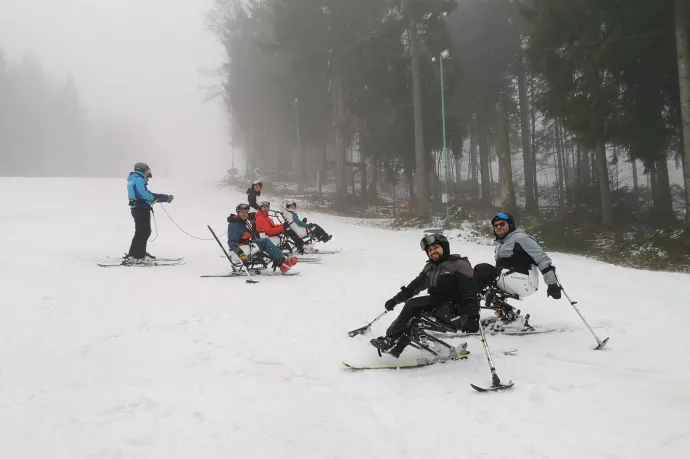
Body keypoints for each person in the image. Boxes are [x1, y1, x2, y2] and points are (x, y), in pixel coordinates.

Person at [370, 234, 480, 358]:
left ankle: (391, 341)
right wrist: (395, 300)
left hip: (455, 311)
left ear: (444, 247)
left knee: (413, 305)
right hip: (437, 305)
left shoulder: (459, 264)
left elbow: (469, 292)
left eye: (436, 248)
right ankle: (395, 345)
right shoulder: (430, 268)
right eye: (430, 250)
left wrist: (473, 317)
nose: (433, 252)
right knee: (413, 314)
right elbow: (413, 288)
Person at [474, 212, 561, 302]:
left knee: (482, 269)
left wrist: (552, 284)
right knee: (470, 276)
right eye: (495, 226)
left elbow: (542, 259)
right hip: (509, 277)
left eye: (502, 224)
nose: (498, 227)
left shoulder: (522, 238)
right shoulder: (501, 243)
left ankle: (470, 306)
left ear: (510, 224)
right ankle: (472, 302)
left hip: (523, 281)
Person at [125, 162, 174, 264]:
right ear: (142, 170)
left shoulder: (135, 179)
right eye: (147, 171)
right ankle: (138, 256)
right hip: (140, 209)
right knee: (144, 232)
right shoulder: (138, 179)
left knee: (141, 231)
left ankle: (135, 253)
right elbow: (144, 195)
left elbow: (143, 196)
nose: (148, 174)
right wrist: (157, 197)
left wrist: (163, 198)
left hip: (138, 208)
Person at [227, 203, 297, 274]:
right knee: (265, 241)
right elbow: (231, 243)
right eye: (242, 212)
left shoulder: (242, 223)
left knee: (265, 242)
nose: (244, 214)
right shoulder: (234, 225)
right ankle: (283, 263)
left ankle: (282, 261)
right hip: (239, 252)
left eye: (246, 212)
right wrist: (241, 253)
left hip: (246, 246)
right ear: (238, 213)